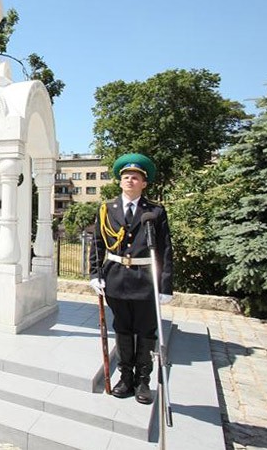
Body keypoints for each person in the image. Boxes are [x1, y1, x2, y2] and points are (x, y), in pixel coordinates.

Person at [89, 153, 173, 405]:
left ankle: (143, 380)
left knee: (146, 332)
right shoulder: (107, 209)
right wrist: (95, 274)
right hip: (116, 280)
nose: (130, 180)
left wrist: (166, 285)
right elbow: (96, 245)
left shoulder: (155, 212)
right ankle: (126, 377)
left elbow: (166, 249)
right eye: (126, 177)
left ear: (144, 183)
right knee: (123, 330)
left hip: (146, 280)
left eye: (135, 177)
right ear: (119, 181)